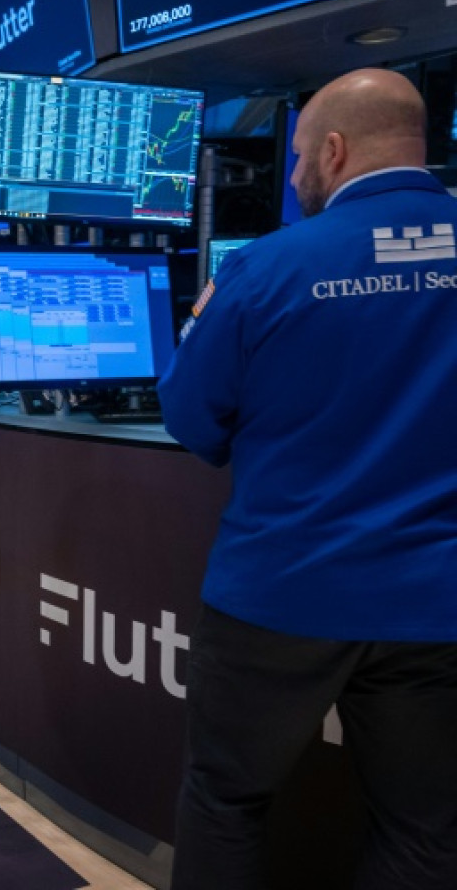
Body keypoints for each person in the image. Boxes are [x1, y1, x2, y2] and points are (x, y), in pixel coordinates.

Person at [158, 68, 457, 889]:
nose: (292, 178)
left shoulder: (265, 268)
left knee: (225, 802)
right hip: (435, 601)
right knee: (426, 830)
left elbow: (189, 418)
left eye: (296, 158)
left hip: (279, 593)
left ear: (333, 149)